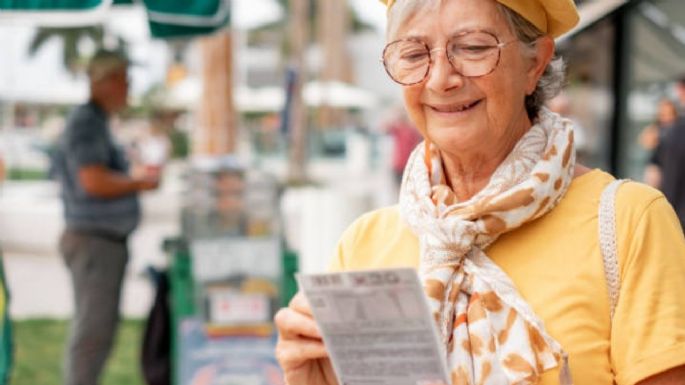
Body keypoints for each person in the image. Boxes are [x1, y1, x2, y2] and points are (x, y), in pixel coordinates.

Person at [275, 1, 685, 384]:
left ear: (535, 63)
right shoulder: (364, 245)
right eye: (415, 55)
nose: (440, 79)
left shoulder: (628, 222)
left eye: (472, 48)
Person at [51, 49, 159, 385]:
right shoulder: (86, 122)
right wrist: (140, 181)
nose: (128, 87)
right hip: (94, 241)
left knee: (97, 331)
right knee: (92, 333)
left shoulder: (96, 121)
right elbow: (92, 180)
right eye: (123, 79)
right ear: (104, 81)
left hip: (100, 240)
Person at [640, 99, 678, 188]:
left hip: (673, 167)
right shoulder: (656, 127)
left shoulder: (678, 127)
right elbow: (646, 142)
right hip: (657, 166)